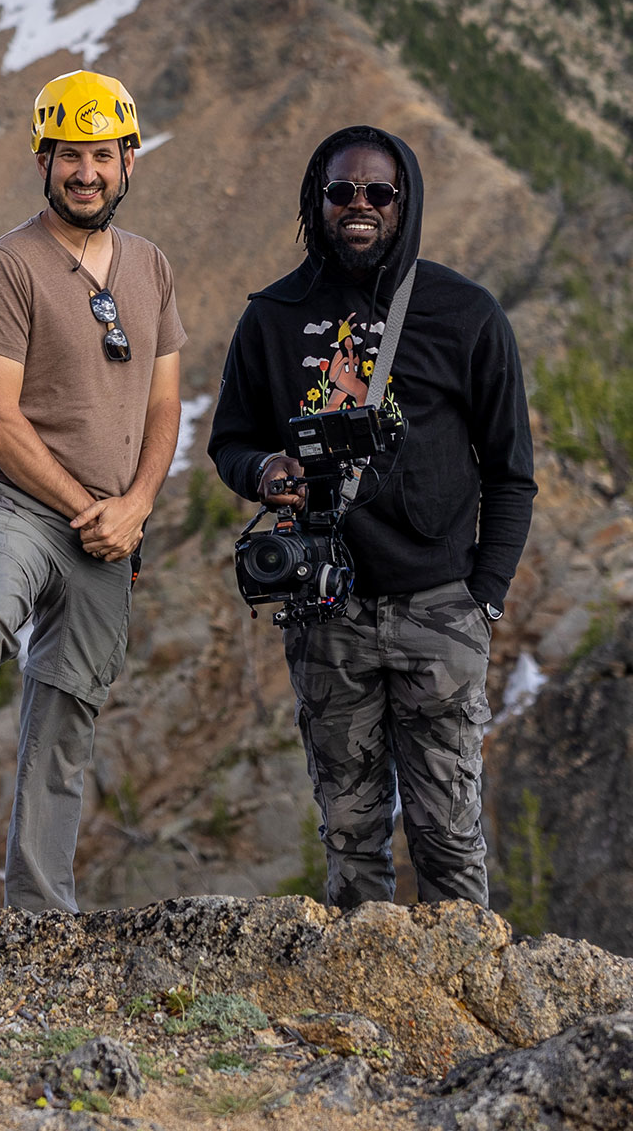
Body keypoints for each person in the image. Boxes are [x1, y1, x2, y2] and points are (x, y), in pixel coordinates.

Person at [0, 69, 185, 930]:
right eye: (67, 155)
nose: (84, 172)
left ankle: (41, 907)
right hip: (14, 504)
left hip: (113, 521)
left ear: (129, 161)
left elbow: (166, 407)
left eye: (101, 154)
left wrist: (136, 507)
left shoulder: (152, 267)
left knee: (71, 696)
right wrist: (91, 509)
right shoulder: (8, 264)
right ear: (42, 160)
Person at [206, 125, 534, 910]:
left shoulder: (466, 314)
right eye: (341, 192)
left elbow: (512, 473)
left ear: (404, 201)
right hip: (329, 614)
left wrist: (481, 600)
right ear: (316, 204)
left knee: (448, 836)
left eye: (378, 193)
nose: (359, 206)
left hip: (439, 610)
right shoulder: (273, 317)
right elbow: (231, 442)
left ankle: (465, 1020)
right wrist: (265, 472)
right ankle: (368, 1019)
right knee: (350, 837)